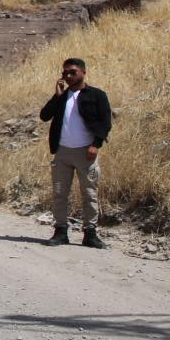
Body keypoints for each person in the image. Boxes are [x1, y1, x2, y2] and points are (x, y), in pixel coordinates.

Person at [38, 57, 112, 248]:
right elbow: (44, 116)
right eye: (65, 73)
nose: (68, 76)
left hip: (86, 152)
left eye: (72, 72)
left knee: (89, 194)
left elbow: (105, 123)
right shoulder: (62, 97)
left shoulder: (96, 95)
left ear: (83, 73)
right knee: (60, 193)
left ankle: (90, 234)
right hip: (62, 152)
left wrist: (96, 144)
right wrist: (56, 96)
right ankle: (61, 232)